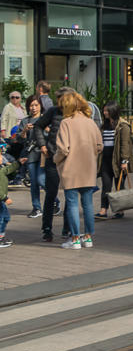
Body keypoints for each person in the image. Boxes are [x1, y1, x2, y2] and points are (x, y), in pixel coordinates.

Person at [53, 90, 103, 249]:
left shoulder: (66, 123)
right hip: (88, 169)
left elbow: (63, 149)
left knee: (72, 204)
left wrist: (55, 159)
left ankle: (75, 239)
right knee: (88, 204)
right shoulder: (90, 122)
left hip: (71, 169)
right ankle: (88, 237)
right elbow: (100, 145)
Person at [32, 86, 70, 242]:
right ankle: (47, 228)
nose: (59, 101)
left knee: (71, 195)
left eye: (62, 98)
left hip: (69, 159)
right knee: (51, 194)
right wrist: (42, 145)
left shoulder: (75, 113)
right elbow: (38, 126)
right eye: (58, 98)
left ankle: (67, 228)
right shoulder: (53, 111)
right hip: (53, 158)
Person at [96, 102, 133, 220]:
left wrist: (124, 161)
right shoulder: (104, 125)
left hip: (118, 161)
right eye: (104, 111)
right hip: (105, 160)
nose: (104, 113)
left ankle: (120, 210)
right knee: (106, 186)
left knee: (119, 185)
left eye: (107, 111)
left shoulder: (123, 125)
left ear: (113, 111)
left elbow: (125, 145)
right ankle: (103, 211)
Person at [20, 95, 44, 218]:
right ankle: (37, 208)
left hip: (43, 154)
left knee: (42, 180)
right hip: (30, 154)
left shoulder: (45, 118)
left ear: (40, 106)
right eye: (31, 105)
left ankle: (55, 201)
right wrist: (24, 130)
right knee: (34, 182)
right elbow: (21, 139)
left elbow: (50, 134)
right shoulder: (25, 121)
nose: (34, 108)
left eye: (36, 105)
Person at [0, 142, 24, 248]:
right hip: (1, 199)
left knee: (5, 218)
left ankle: (1, 237)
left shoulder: (2, 169)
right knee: (2, 218)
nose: (2, 157)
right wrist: (5, 198)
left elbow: (9, 173)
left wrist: (16, 165)